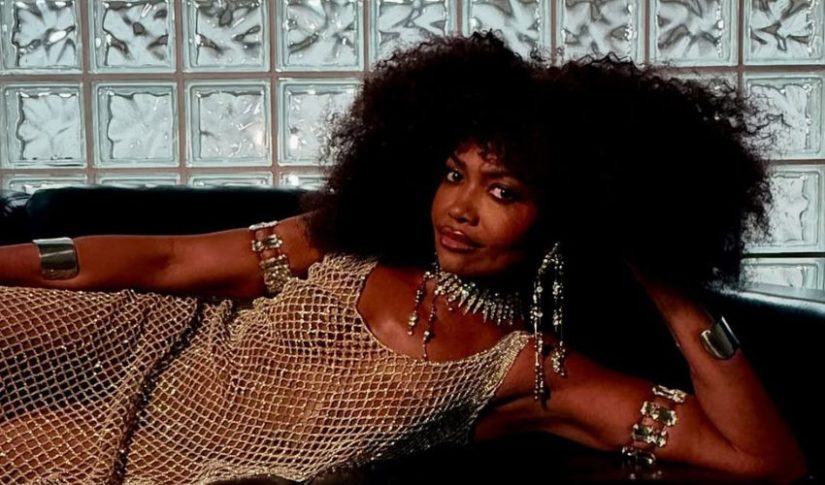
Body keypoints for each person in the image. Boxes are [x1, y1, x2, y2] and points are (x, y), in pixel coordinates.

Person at [0, 32, 808, 483]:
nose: (459, 206)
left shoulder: (530, 370)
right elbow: (168, 260)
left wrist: (670, 285)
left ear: (567, 215)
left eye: (502, 190)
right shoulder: (346, 243)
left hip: (165, 463)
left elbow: (764, 461)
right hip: (136, 345)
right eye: (453, 174)